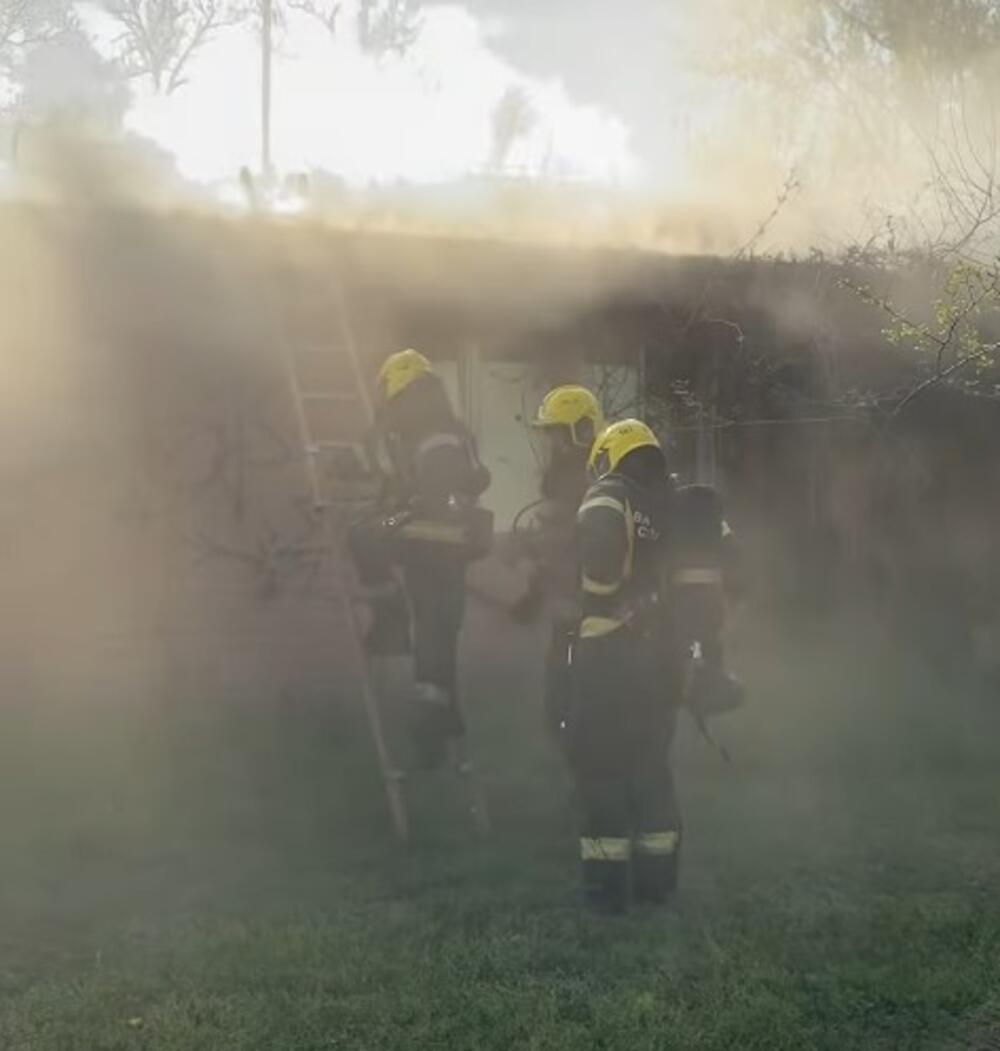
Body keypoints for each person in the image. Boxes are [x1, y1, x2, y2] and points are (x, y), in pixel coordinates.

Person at [349, 349, 491, 770]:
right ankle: (438, 726)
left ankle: (390, 618)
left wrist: (343, 470)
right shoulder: (450, 428)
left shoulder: (408, 425)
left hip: (424, 533)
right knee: (438, 632)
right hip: (453, 544)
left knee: (363, 532)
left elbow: (372, 460)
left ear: (398, 386)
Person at [569, 419, 682, 914]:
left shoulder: (607, 494)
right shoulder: (669, 503)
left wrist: (589, 602)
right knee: (650, 766)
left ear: (609, 454)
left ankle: (606, 890)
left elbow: (598, 567)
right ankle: (656, 885)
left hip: (608, 654)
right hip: (661, 655)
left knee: (601, 767)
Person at [513, 385, 605, 736]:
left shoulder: (589, 474)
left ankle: (576, 727)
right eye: (549, 434)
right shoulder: (570, 471)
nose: (553, 443)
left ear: (581, 429)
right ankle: (569, 726)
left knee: (576, 658)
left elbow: (575, 535)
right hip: (571, 583)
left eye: (557, 433)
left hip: (588, 586)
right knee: (567, 656)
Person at [670, 483, 746, 719]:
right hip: (709, 593)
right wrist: (736, 595)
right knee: (708, 639)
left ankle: (684, 680)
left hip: (680, 593)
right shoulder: (717, 525)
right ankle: (709, 680)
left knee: (689, 640)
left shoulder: (673, 523)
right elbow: (734, 555)